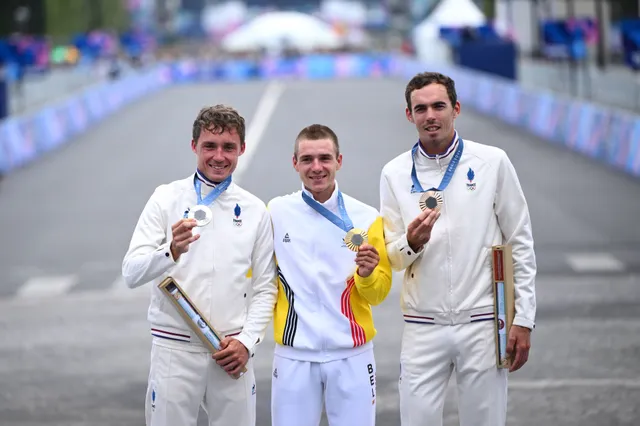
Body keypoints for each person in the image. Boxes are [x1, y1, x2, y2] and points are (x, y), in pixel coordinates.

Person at [379, 72, 537, 426]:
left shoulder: (492, 161)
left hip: (482, 321)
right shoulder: (394, 173)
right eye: (421, 109)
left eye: (439, 106)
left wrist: (523, 318)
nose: (430, 116)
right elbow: (391, 254)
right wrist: (411, 243)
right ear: (409, 115)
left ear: (456, 109)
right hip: (422, 325)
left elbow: (519, 240)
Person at [121, 104, 278, 426]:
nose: (218, 156)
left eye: (228, 148)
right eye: (210, 146)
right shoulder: (165, 198)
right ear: (194, 146)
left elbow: (266, 288)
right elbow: (131, 272)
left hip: (230, 352)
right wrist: (171, 251)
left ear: (242, 150)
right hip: (174, 350)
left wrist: (246, 343)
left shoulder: (254, 209)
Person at [268, 124, 393, 426]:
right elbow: (253, 277)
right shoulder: (275, 213)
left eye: (325, 158)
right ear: (294, 163)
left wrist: (366, 275)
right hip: (294, 355)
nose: (317, 167)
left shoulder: (367, 217)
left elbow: (378, 294)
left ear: (339, 160)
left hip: (352, 355)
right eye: (307, 159)